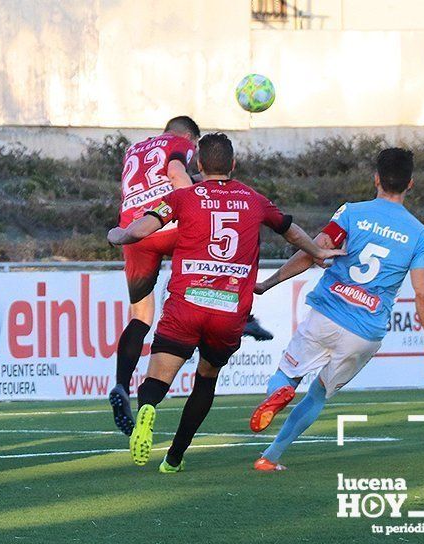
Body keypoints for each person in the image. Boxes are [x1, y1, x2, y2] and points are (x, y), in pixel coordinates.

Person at [107, 133, 343, 473]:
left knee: (158, 376)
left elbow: (141, 228)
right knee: (206, 378)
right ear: (233, 165)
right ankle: (174, 458)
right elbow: (289, 230)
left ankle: (148, 408)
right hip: (229, 310)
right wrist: (319, 251)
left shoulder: (183, 197)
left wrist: (118, 235)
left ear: (199, 165)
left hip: (186, 304)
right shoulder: (254, 200)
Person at [250, 148, 424, 471]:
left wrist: (268, 283)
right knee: (318, 395)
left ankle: (281, 392)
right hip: (364, 333)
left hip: (327, 313)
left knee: (287, 374)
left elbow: (316, 250)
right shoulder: (421, 234)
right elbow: (423, 294)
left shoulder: (352, 213)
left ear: (376, 179)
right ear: (410, 184)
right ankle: (270, 457)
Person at [108, 116, 274, 436]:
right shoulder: (180, 144)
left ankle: (119, 385)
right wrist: (194, 201)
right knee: (220, 241)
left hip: (135, 231)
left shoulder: (134, 150)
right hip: (165, 222)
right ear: (190, 137)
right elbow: (175, 173)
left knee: (141, 317)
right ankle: (244, 313)